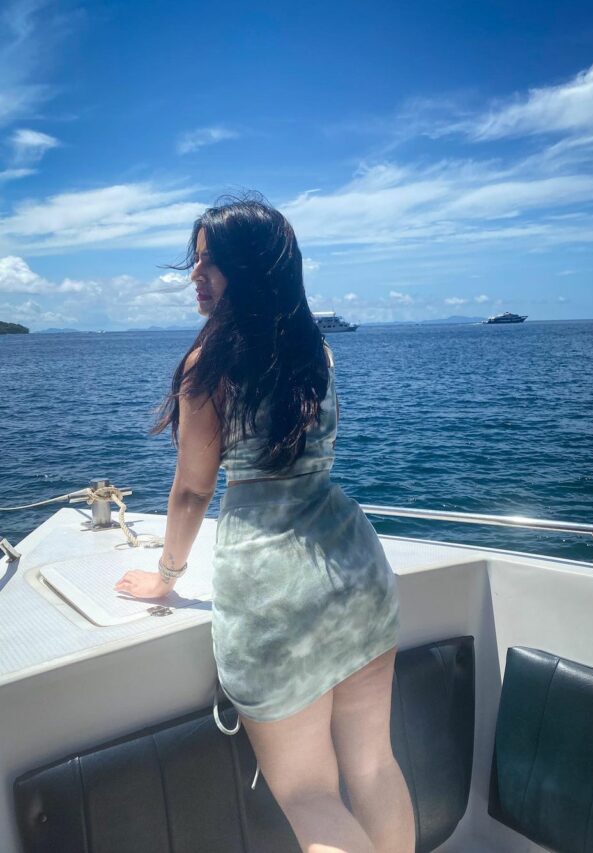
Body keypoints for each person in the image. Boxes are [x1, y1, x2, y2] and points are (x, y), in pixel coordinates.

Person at [114, 196, 416, 853]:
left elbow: (193, 491)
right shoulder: (316, 351)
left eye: (211, 263)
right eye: (195, 263)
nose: (196, 276)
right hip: (355, 566)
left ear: (250, 270)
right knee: (374, 766)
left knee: (310, 795)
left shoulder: (210, 367)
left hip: (273, 589)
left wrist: (167, 576)